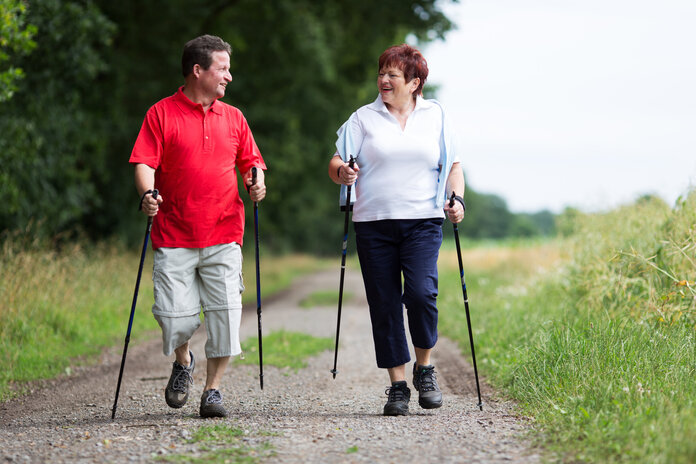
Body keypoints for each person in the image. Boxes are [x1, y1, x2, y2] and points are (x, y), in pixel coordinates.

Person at [129, 35, 267, 418]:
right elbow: (144, 162)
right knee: (175, 317)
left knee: (225, 313)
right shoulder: (161, 113)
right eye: (222, 69)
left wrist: (256, 183)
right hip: (174, 234)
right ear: (198, 70)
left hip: (224, 231)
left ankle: (213, 390)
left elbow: (251, 162)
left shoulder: (234, 117)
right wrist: (147, 193)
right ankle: (184, 360)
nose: (229, 77)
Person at [328, 44, 465, 416]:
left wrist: (458, 201)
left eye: (393, 74)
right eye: (382, 73)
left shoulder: (436, 115)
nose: (384, 80)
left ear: (415, 82)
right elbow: (336, 161)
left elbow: (453, 166)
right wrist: (342, 172)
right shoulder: (362, 118)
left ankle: (425, 368)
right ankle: (398, 386)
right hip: (373, 223)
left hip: (423, 220)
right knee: (385, 303)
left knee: (422, 294)